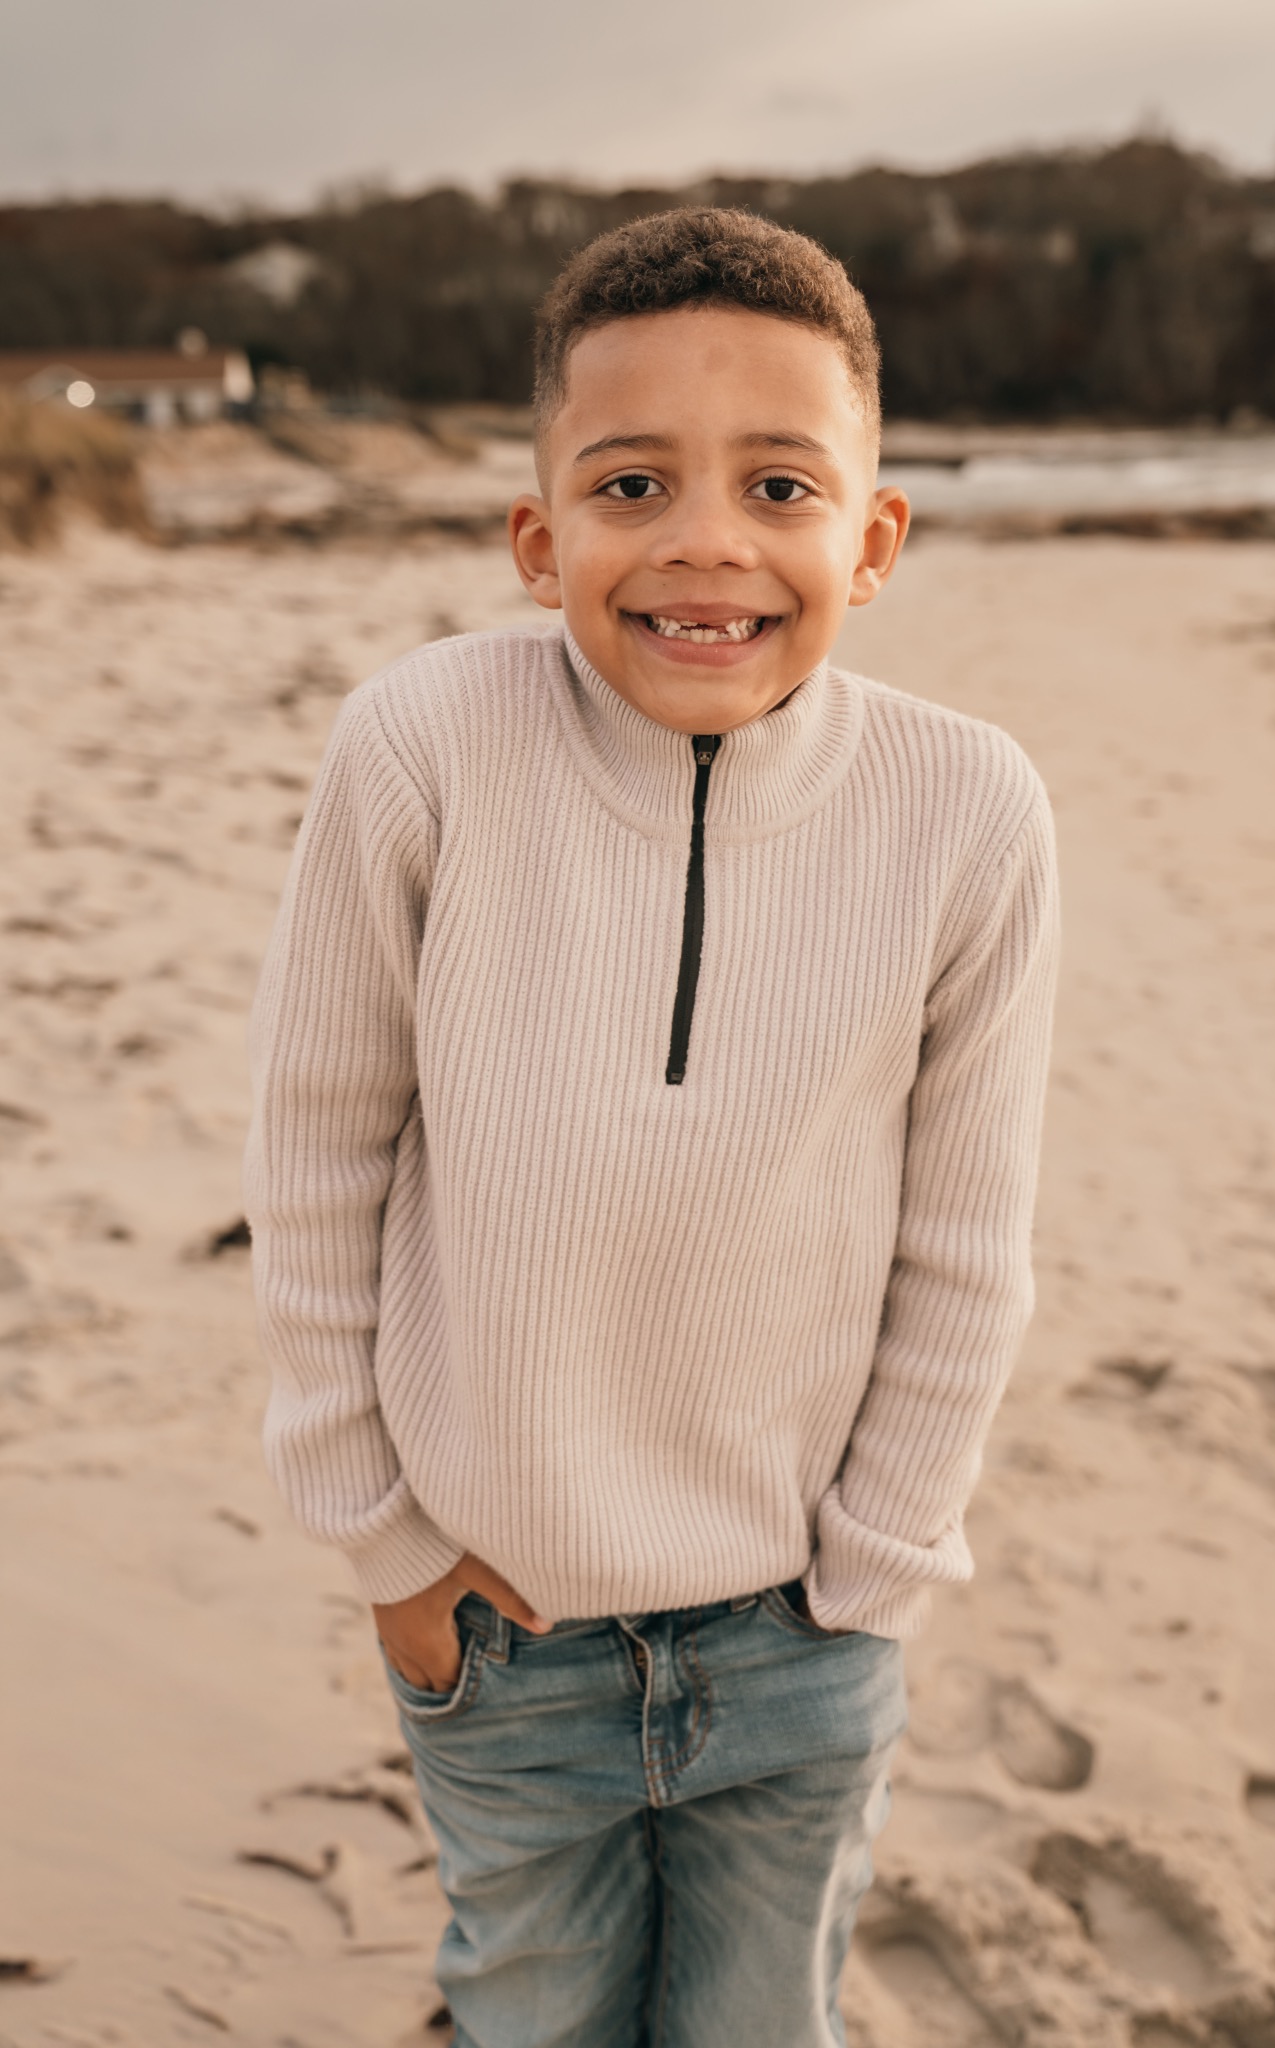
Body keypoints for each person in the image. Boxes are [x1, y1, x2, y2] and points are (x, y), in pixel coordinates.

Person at [245, 207, 1059, 2047]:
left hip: (803, 1627)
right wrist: (383, 1544)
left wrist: (873, 1575)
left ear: (872, 538)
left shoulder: (968, 810)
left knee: (758, 2021)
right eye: (631, 484)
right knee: (530, 2008)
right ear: (541, 542)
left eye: (778, 486)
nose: (706, 540)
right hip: (497, 1624)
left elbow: (965, 1245)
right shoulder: (420, 749)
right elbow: (315, 1158)